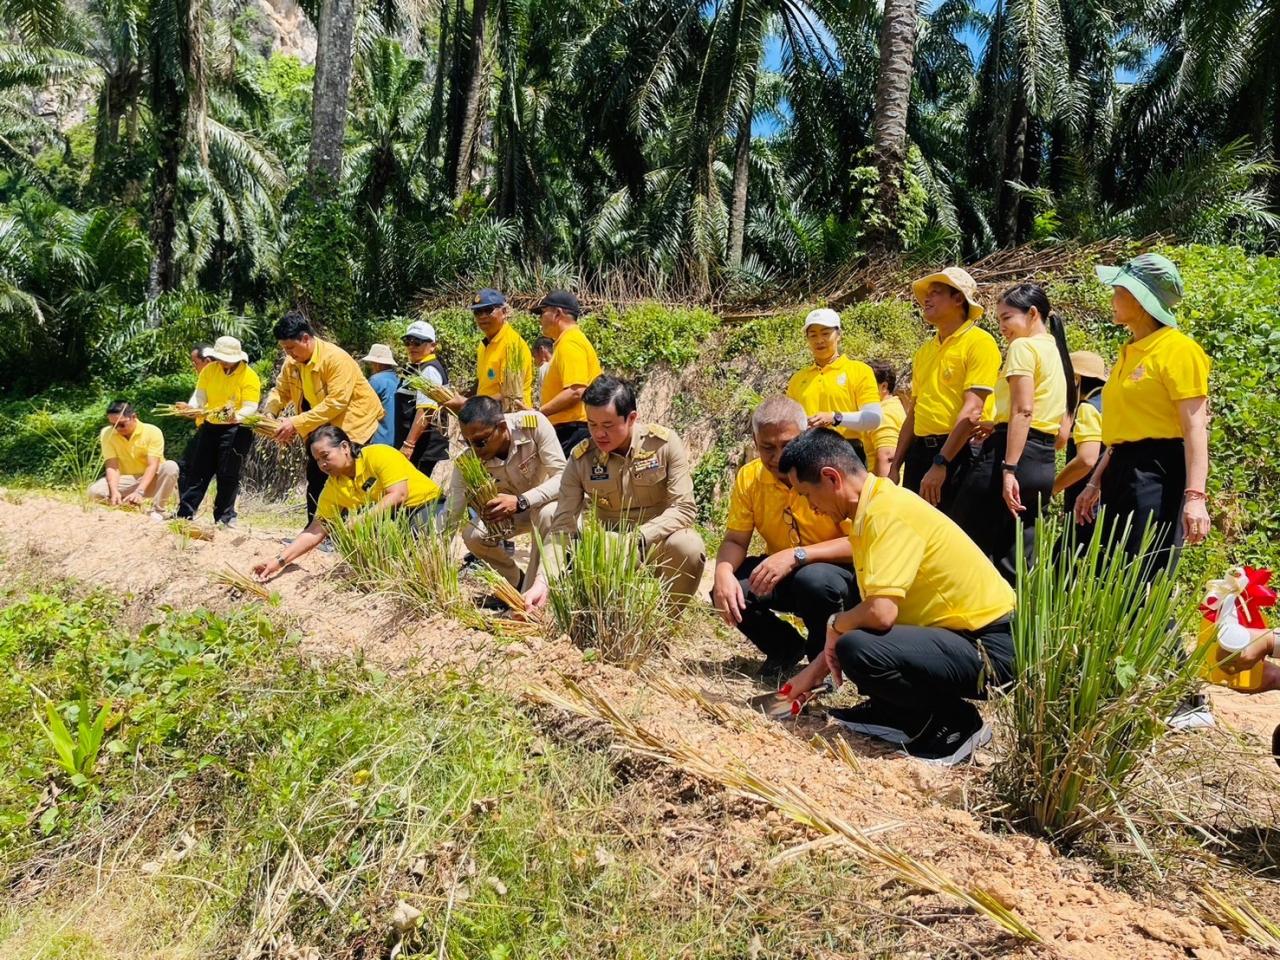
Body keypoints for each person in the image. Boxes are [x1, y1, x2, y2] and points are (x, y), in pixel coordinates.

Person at [778, 428, 1016, 765]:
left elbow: (881, 614)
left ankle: (957, 727)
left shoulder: (886, 514)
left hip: (991, 649)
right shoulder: (873, 509)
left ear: (831, 478)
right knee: (856, 640)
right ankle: (894, 712)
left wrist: (835, 624)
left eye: (805, 494)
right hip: (963, 639)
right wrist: (815, 670)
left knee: (857, 646)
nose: (809, 507)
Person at [1074, 253, 1211, 580]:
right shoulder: (1129, 352)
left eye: (1118, 291)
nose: (1112, 299)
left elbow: (1194, 429)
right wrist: (1094, 481)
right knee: (1111, 572)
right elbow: (1122, 434)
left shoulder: (1178, 350)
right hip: (1121, 467)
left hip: (1158, 471)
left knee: (1143, 572)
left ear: (1138, 298)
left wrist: (1195, 497)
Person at [525, 375, 706, 608]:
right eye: (592, 424)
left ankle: (663, 627)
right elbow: (563, 526)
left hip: (655, 541)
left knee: (689, 545)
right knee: (551, 515)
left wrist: (637, 538)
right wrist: (543, 580)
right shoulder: (581, 459)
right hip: (606, 548)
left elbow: (684, 508)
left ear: (631, 418)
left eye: (608, 425)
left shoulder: (663, 444)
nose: (599, 434)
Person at [711, 397, 859, 679]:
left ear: (804, 437)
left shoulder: (830, 473)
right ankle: (785, 647)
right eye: (767, 447)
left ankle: (823, 663)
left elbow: (859, 543)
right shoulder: (749, 478)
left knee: (813, 580)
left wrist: (797, 555)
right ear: (754, 442)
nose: (778, 457)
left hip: (837, 578)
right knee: (732, 588)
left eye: (787, 445)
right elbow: (736, 540)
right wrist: (722, 572)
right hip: (784, 572)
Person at [950, 284, 1073, 582]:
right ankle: (1013, 625)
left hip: (1011, 455)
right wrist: (998, 423)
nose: (1002, 327)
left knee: (964, 538)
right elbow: (1055, 423)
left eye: (1007, 318)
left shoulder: (1023, 347)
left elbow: (1024, 410)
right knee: (1015, 555)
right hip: (1042, 460)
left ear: (1032, 313)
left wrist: (1009, 470)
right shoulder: (1057, 352)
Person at [251, 425, 442, 581]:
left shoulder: (378, 454)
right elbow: (316, 530)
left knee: (416, 542)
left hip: (429, 506)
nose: (322, 465)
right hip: (395, 517)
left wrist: (359, 520)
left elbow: (398, 494)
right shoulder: (334, 486)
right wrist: (279, 561)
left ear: (345, 447)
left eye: (325, 456)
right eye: (317, 460)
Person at [890, 268, 1001, 513]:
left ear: (958, 298)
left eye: (936, 293)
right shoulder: (925, 351)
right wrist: (895, 464)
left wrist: (942, 462)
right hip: (921, 453)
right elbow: (915, 413)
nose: (926, 299)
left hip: (959, 452)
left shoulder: (979, 343)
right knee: (916, 531)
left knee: (956, 533)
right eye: (926, 295)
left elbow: (973, 410)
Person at [262, 310, 385, 522]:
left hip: (352, 426)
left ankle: (348, 531)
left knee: (346, 478)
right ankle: (316, 530)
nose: (289, 354)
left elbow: (336, 402)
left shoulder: (335, 359)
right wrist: (269, 414)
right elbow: (280, 391)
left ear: (306, 339)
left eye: (291, 348)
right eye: (285, 349)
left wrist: (295, 422)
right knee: (316, 476)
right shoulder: (292, 363)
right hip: (321, 429)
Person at [443, 397, 566, 590]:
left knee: (547, 514)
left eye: (480, 442)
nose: (474, 449)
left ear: (501, 427)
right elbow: (452, 512)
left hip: (546, 505)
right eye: (467, 442)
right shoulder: (468, 460)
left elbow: (562, 477)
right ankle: (516, 582)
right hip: (510, 516)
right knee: (473, 535)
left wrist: (522, 501)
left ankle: (536, 590)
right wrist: (431, 550)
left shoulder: (533, 425)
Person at [175, 336, 260, 527]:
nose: (223, 362)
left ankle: (225, 517)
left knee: (228, 473)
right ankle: (185, 513)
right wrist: (192, 408)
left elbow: (250, 406)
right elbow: (200, 395)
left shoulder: (249, 376)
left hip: (237, 429)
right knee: (199, 471)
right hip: (211, 425)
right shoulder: (210, 371)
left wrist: (236, 417)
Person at [785, 308, 881, 463]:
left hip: (847, 452)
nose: (819, 340)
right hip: (807, 453)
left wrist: (834, 417)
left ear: (839, 335)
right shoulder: (797, 379)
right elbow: (789, 421)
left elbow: (873, 419)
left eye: (825, 333)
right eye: (813, 335)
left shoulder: (859, 371)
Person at [443, 289, 533, 412]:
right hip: (487, 418)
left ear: (504, 312)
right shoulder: (484, 345)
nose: (483, 316)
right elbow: (482, 384)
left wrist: (468, 403)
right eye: (478, 312)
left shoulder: (513, 346)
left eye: (488, 310)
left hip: (510, 419)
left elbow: (510, 395)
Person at [88, 400, 180, 521]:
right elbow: (112, 466)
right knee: (95, 491)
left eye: (121, 424)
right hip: (129, 480)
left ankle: (158, 510)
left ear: (133, 417)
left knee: (170, 466)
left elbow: (152, 465)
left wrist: (139, 492)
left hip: (154, 480)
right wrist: (114, 491)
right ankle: (125, 504)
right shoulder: (107, 433)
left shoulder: (152, 431)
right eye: (113, 425)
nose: (118, 429)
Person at [536, 290, 602, 456]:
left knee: (568, 481)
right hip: (571, 428)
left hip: (574, 430)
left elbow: (576, 391)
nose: (540, 318)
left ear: (557, 313)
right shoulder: (567, 342)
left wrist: (539, 413)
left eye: (543, 312)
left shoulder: (570, 342)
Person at [1053, 350, 1108, 531]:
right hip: (1107, 499)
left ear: (1076, 379)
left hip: (1085, 505)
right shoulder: (1109, 403)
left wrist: (1053, 488)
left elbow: (1086, 459)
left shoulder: (1089, 408)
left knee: (1065, 555)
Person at [397, 320, 451, 478]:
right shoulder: (416, 367)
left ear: (432, 345)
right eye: (408, 342)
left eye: (417, 342)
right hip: (416, 443)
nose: (411, 346)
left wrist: (409, 444)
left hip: (423, 445)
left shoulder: (429, 370)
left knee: (414, 488)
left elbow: (426, 410)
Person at [867, 361, 905, 478]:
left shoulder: (883, 413)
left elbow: (887, 457)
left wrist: (881, 494)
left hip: (884, 489)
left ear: (883, 386)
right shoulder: (893, 406)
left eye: (866, 385)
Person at [361, 343, 400, 448]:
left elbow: (363, 407)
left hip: (380, 437)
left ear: (377, 364)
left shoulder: (376, 380)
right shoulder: (398, 379)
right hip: (396, 438)